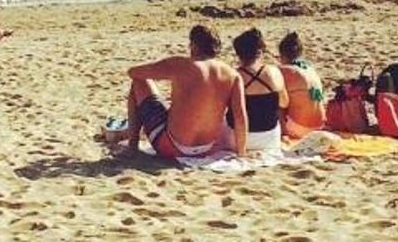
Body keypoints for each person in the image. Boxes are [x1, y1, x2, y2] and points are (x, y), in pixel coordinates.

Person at [123, 25, 248, 159]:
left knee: (138, 82)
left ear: (193, 45)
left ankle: (132, 147)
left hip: (171, 146)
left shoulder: (181, 65)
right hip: (206, 148)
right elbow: (240, 117)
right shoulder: (233, 75)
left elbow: (133, 72)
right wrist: (242, 153)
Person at [223, 28, 288, 153]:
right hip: (269, 138)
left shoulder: (233, 76)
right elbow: (284, 103)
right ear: (260, 51)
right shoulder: (274, 72)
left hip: (235, 139)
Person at [277, 31, 326, 137]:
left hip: (300, 128)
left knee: (274, 99)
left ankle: (283, 133)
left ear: (281, 54)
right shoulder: (309, 68)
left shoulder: (284, 70)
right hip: (319, 125)